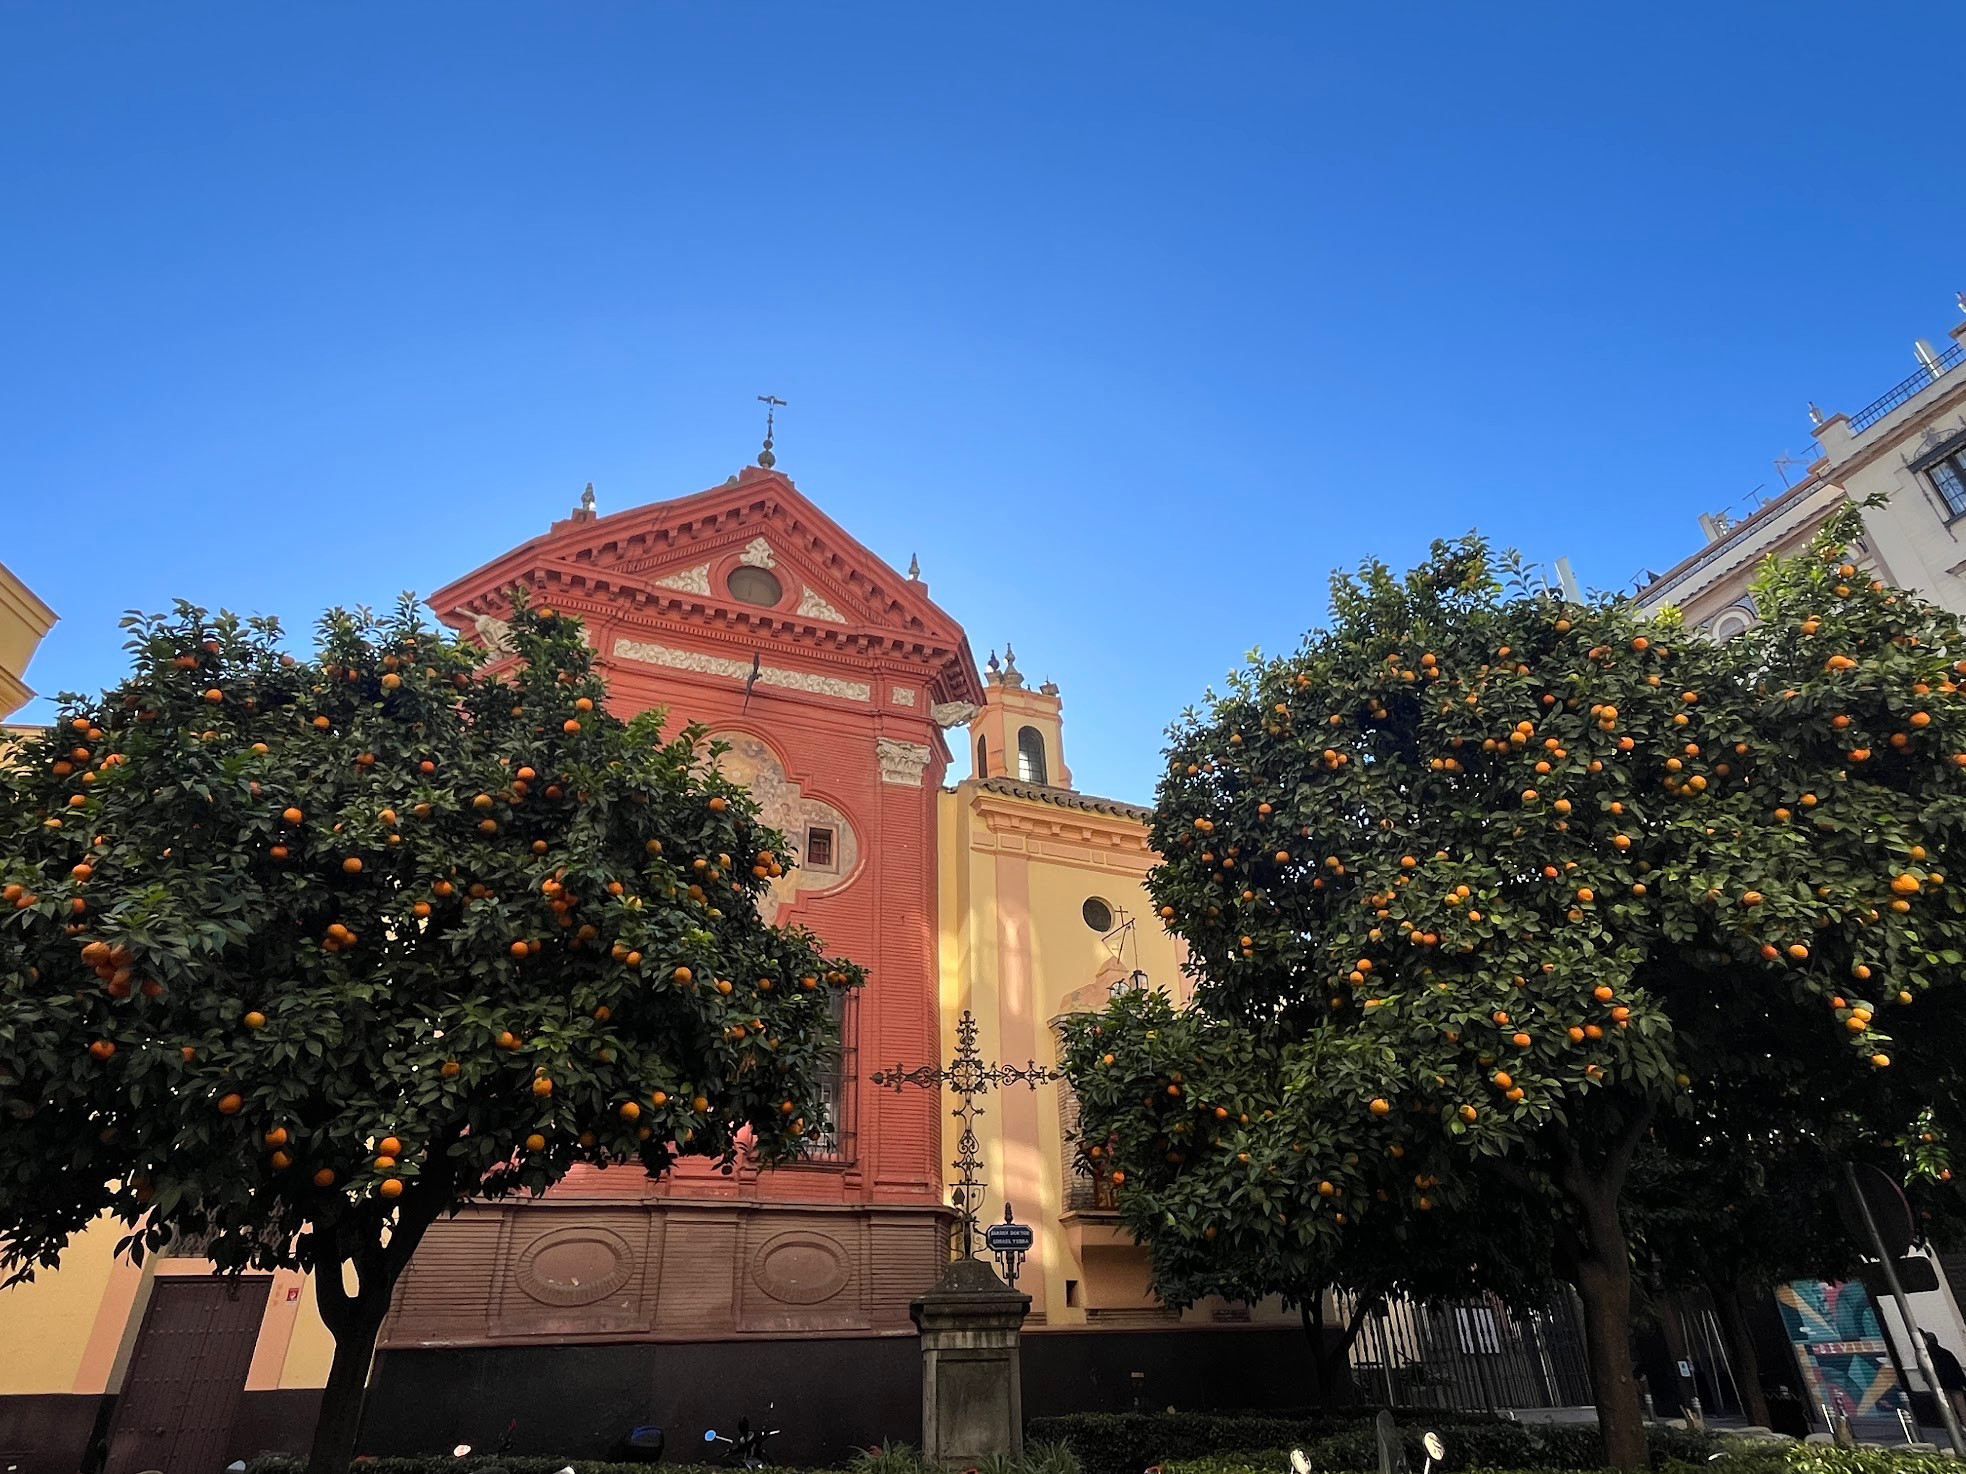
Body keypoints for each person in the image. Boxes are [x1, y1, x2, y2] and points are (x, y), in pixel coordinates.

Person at [1924, 1331, 1966, 1425]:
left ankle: (1957, 1428)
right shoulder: (1946, 1352)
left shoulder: (1928, 1355)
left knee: (1949, 1408)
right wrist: (1963, 1382)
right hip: (1955, 1384)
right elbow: (1957, 1368)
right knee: (1961, 1407)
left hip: (1942, 1384)